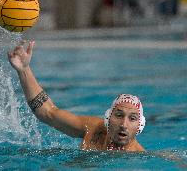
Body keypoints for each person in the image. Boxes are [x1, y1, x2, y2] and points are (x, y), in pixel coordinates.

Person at [7, 41, 146, 152]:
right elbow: (48, 113)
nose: (123, 124)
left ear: (139, 126)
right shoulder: (92, 128)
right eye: (119, 115)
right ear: (108, 118)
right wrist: (24, 70)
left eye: (132, 118)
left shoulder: (138, 157)